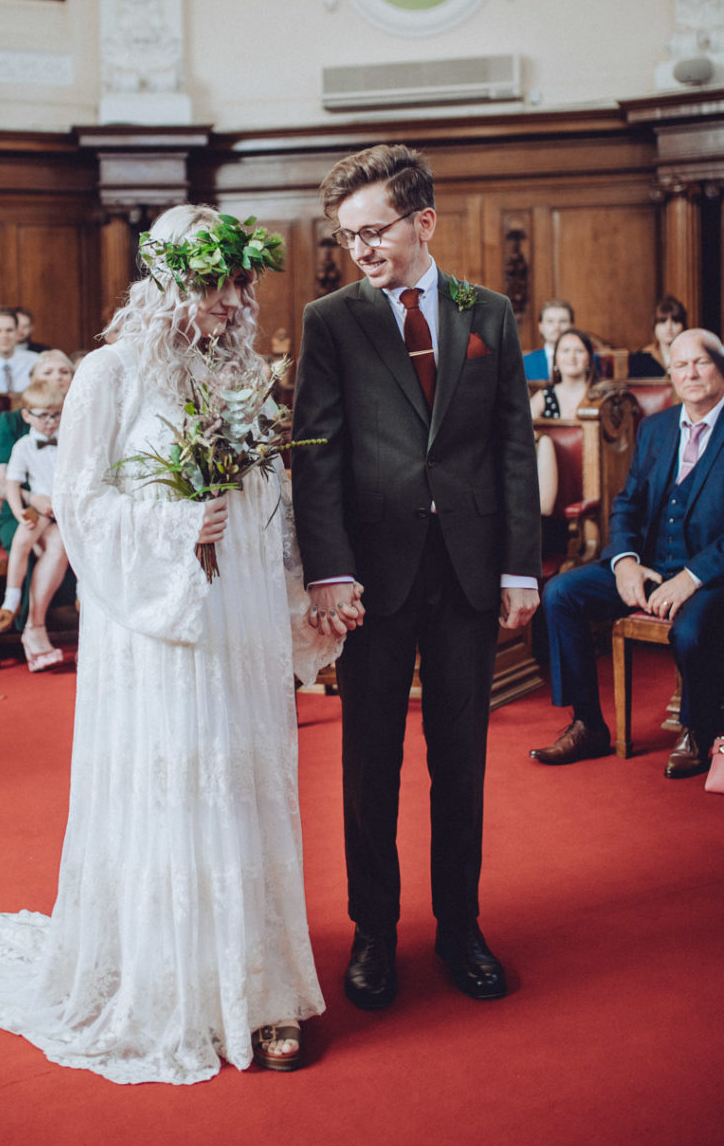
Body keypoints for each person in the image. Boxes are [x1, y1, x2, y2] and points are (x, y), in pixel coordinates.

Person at [0, 206, 328, 1083]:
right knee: (180, 790)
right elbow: (82, 503)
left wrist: (305, 594)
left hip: (240, 624)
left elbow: (275, 499)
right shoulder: (107, 373)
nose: (228, 301)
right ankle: (172, 986)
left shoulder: (242, 374)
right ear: (170, 281)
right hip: (159, 634)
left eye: (238, 285)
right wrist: (182, 523)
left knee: (242, 789)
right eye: (211, 283)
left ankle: (261, 992)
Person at [291, 142, 540, 1010]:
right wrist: (328, 571)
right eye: (346, 235)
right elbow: (314, 457)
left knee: (461, 760)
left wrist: (520, 567)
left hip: (469, 571)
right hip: (373, 580)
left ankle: (461, 927)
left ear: (423, 221)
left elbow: (513, 445)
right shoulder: (332, 321)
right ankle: (374, 934)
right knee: (370, 763)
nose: (358, 248)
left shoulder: (490, 314)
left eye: (374, 230)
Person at [531, 327, 724, 778]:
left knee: (692, 632)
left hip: (709, 575)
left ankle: (699, 728)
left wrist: (691, 577)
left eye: (701, 362)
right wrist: (625, 562)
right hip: (650, 565)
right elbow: (626, 504)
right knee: (561, 594)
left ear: (720, 368)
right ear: (671, 375)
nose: (690, 372)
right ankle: (587, 724)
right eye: (680, 365)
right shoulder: (656, 428)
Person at [0, 382, 70, 671]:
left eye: (56, 415)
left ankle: (77, 601)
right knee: (23, 539)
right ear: (26, 416)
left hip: (63, 510)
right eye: (43, 416)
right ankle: (11, 600)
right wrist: (19, 511)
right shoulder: (23, 445)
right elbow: (10, 483)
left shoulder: (69, 438)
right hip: (37, 509)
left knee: (64, 544)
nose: (50, 422)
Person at [529, 328, 598, 421]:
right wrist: (540, 435)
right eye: (565, 350)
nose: (572, 356)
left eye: (579, 351)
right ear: (555, 358)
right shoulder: (544, 396)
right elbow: (523, 427)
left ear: (589, 359)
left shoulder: (601, 394)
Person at [628, 295, 688, 378]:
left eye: (675, 321)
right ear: (654, 326)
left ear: (683, 326)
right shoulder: (639, 360)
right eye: (663, 322)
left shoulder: (692, 357)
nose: (669, 328)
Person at [522, 299, 575, 380]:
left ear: (571, 326)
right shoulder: (526, 362)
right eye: (550, 321)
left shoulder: (588, 359)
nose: (557, 327)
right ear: (541, 327)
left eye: (563, 321)